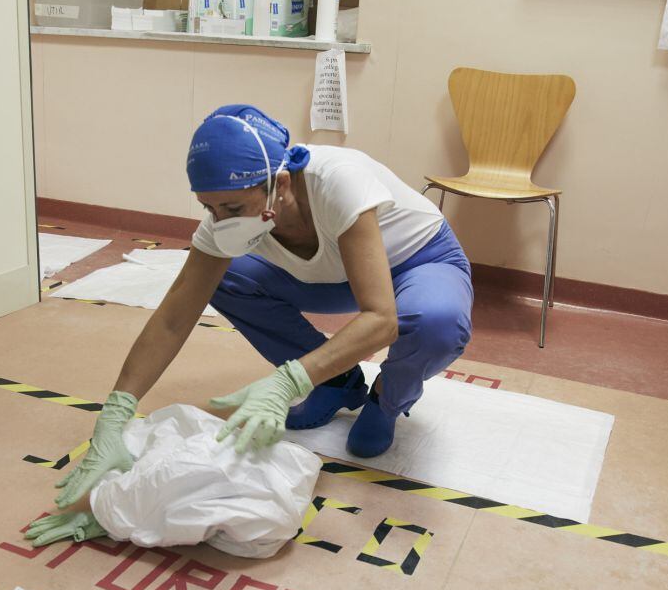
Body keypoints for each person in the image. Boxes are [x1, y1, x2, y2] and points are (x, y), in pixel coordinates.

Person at [51, 104, 473, 510]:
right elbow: (173, 317)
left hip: (416, 261)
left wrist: (288, 381)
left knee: (436, 321)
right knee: (226, 278)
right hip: (331, 275)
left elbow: (380, 319)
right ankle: (335, 380)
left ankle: (385, 400)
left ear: (282, 185)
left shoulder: (339, 181)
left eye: (233, 208)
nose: (220, 221)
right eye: (209, 208)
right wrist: (115, 414)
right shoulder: (228, 216)